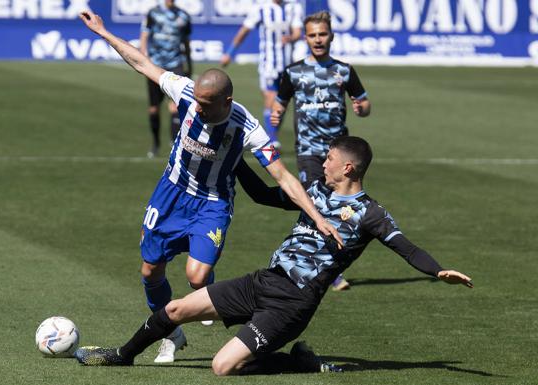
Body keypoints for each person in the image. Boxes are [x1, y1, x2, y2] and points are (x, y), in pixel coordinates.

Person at [73, 136, 473, 376]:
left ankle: (297, 362)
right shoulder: (315, 192)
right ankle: (122, 356)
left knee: (223, 367)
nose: (324, 162)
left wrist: (438, 271)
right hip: (264, 281)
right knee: (176, 309)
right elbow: (266, 195)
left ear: (348, 166)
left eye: (330, 159)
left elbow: (407, 247)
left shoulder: (371, 214)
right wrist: (236, 163)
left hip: (292, 303)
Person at [78, 11, 343, 364]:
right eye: (196, 103)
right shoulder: (186, 91)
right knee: (149, 270)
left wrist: (317, 217)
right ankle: (172, 334)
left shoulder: (246, 126)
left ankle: (205, 292)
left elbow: (282, 176)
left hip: (212, 203)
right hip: (171, 193)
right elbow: (142, 63)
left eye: (206, 105)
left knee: (196, 276)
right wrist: (103, 32)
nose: (196, 109)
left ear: (226, 102)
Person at [271, 10, 372, 290]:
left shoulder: (344, 71)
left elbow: (364, 103)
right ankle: (316, 266)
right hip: (308, 151)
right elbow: (280, 102)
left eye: (322, 34)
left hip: (340, 154)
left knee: (338, 208)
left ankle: (325, 263)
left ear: (331, 36)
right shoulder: (292, 72)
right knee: (314, 204)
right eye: (313, 35)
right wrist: (276, 114)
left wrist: (361, 109)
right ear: (305, 38)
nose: (318, 39)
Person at [220, 0, 303, 149]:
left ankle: (271, 133)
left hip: (287, 65)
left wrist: (291, 38)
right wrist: (229, 53)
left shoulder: (293, 7)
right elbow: (244, 31)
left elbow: (297, 31)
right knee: (270, 97)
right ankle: (271, 139)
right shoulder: (261, 8)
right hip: (269, 64)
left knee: (282, 103)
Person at [139, 0, 192, 158]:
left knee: (175, 105)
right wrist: (144, 58)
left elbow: (186, 42)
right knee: (154, 109)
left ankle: (173, 142)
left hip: (175, 64)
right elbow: (144, 35)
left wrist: (189, 63)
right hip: (155, 65)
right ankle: (155, 143)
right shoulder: (153, 13)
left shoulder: (183, 16)